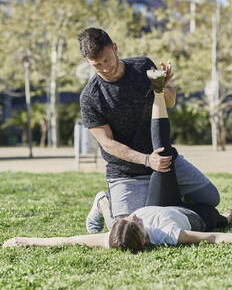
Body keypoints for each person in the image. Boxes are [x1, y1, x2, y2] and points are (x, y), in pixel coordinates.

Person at [3, 73, 232, 251]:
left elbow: (71, 241)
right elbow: (212, 239)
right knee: (220, 221)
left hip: (161, 198)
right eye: (135, 220)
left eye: (129, 218)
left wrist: (27, 240)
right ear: (147, 238)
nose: (136, 214)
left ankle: (103, 202)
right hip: (196, 214)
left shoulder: (120, 230)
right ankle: (231, 214)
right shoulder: (169, 233)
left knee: (160, 156)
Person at [78, 27, 220, 233]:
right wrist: (146, 159)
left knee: (210, 198)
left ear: (115, 48)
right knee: (124, 228)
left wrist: (162, 87)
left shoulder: (143, 65)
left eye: (107, 59)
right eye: (97, 65)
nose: (105, 68)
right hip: (126, 173)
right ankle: (103, 202)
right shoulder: (90, 97)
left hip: (165, 160)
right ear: (87, 62)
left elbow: (169, 101)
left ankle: (170, 201)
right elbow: (107, 143)